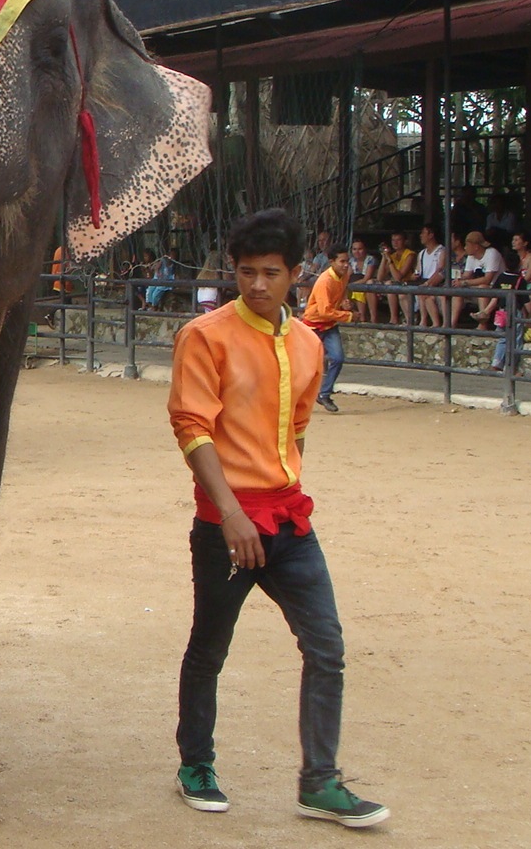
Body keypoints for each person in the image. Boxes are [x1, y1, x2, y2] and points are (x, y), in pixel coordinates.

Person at [167, 208, 388, 828]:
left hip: (290, 519)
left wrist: (279, 485)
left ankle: (320, 782)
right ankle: (195, 764)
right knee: (209, 647)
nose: (257, 285)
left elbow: (297, 429)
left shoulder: (308, 343)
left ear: (295, 274)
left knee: (327, 647)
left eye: (270, 273)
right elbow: (191, 426)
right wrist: (231, 514)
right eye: (246, 272)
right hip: (227, 525)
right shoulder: (205, 336)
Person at [303, 248, 354, 412]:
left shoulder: (343, 276)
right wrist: (348, 316)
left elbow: (343, 291)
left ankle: (324, 393)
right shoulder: (325, 281)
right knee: (306, 363)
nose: (346, 265)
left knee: (337, 358)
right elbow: (324, 310)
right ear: (332, 262)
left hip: (329, 324)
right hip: (314, 324)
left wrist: (344, 301)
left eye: (347, 261)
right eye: (342, 261)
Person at [377, 231, 415, 325]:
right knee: (372, 283)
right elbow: (380, 277)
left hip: (408, 283)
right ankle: (374, 319)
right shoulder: (393, 255)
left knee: (390, 284)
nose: (395, 243)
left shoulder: (410, 255)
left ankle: (394, 318)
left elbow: (398, 277)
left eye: (398, 240)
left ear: (405, 241)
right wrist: (384, 257)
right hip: (396, 284)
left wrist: (390, 260)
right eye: (393, 240)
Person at [415, 225, 448, 329]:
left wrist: (428, 283)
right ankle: (420, 320)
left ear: (431, 235)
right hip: (424, 281)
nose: (421, 235)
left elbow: (440, 270)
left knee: (424, 293)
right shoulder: (421, 253)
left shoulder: (442, 251)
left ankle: (428, 321)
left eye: (423, 233)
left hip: (436, 283)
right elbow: (418, 271)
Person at [347, 237, 378, 323]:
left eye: (360, 249)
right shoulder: (352, 260)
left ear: (365, 249)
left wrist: (352, 285)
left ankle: (364, 317)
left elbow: (367, 278)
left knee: (358, 290)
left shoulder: (370, 259)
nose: (357, 252)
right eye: (354, 249)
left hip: (367, 283)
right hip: (355, 282)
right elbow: (348, 275)